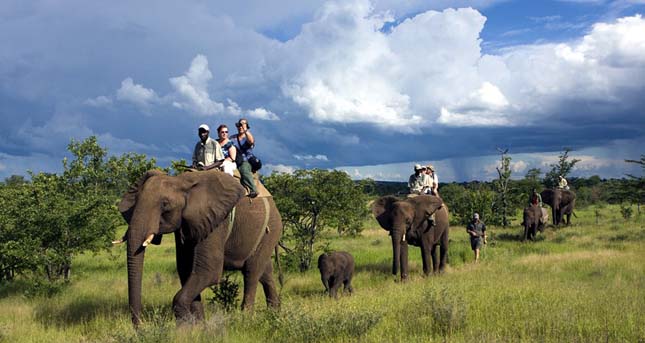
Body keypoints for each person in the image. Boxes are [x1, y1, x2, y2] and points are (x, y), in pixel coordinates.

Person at [231, 118, 258, 198]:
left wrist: (245, 130)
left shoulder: (248, 137)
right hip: (234, 160)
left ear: (247, 126)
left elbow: (251, 141)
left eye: (243, 124)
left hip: (246, 161)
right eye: (239, 125)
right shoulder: (232, 138)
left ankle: (253, 189)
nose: (240, 127)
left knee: (244, 169)